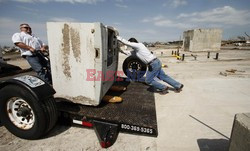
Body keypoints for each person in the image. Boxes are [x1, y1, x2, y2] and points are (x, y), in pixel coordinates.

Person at [117, 36, 183, 94]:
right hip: (156, 62)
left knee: (148, 80)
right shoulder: (137, 51)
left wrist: (118, 37)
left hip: (153, 64)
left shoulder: (139, 45)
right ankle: (178, 85)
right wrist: (120, 50)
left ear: (133, 43)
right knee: (163, 76)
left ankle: (163, 87)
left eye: (131, 45)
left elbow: (127, 43)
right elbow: (129, 53)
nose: (130, 46)